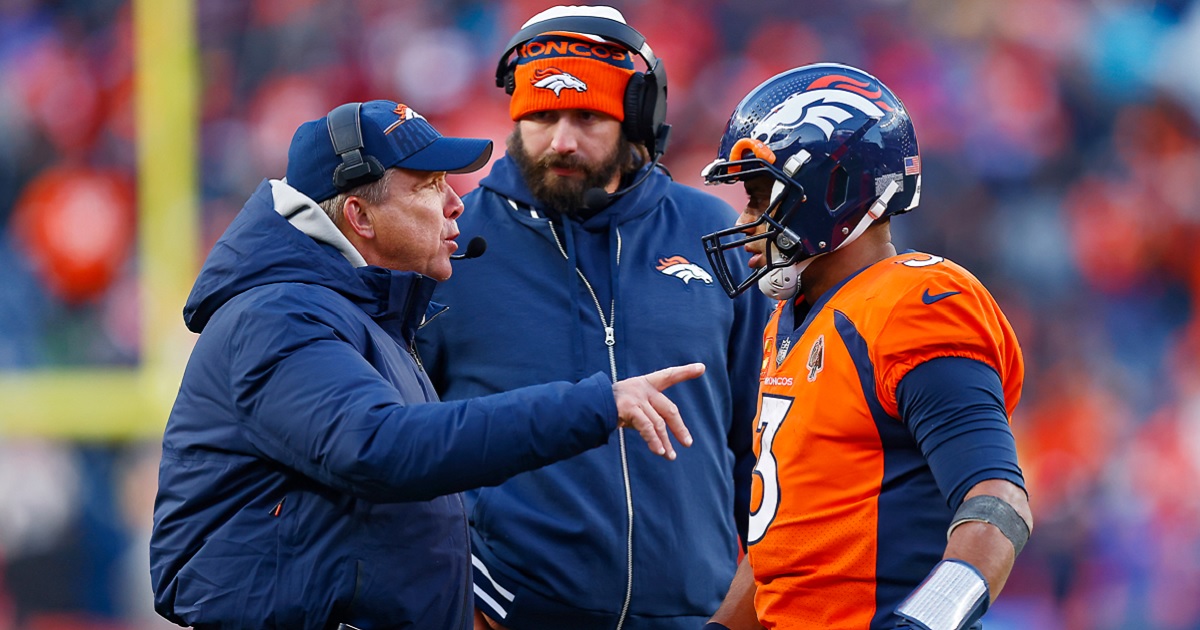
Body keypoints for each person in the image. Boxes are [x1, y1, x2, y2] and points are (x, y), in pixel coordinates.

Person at [149, 99, 707, 630]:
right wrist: (594, 404)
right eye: (430, 186)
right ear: (360, 216)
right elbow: (382, 447)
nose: (455, 203)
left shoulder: (356, 315)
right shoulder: (279, 314)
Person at [415, 6, 770, 630]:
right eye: (542, 116)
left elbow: (761, 443)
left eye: (588, 117)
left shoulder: (714, 234)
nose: (562, 141)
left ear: (637, 122)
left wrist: (743, 609)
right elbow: (402, 446)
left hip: (698, 617)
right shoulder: (449, 244)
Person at [698, 63, 1033, 630]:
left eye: (760, 197)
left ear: (831, 191)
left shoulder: (915, 303)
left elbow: (998, 503)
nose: (745, 219)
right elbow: (785, 546)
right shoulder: (788, 319)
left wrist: (926, 620)